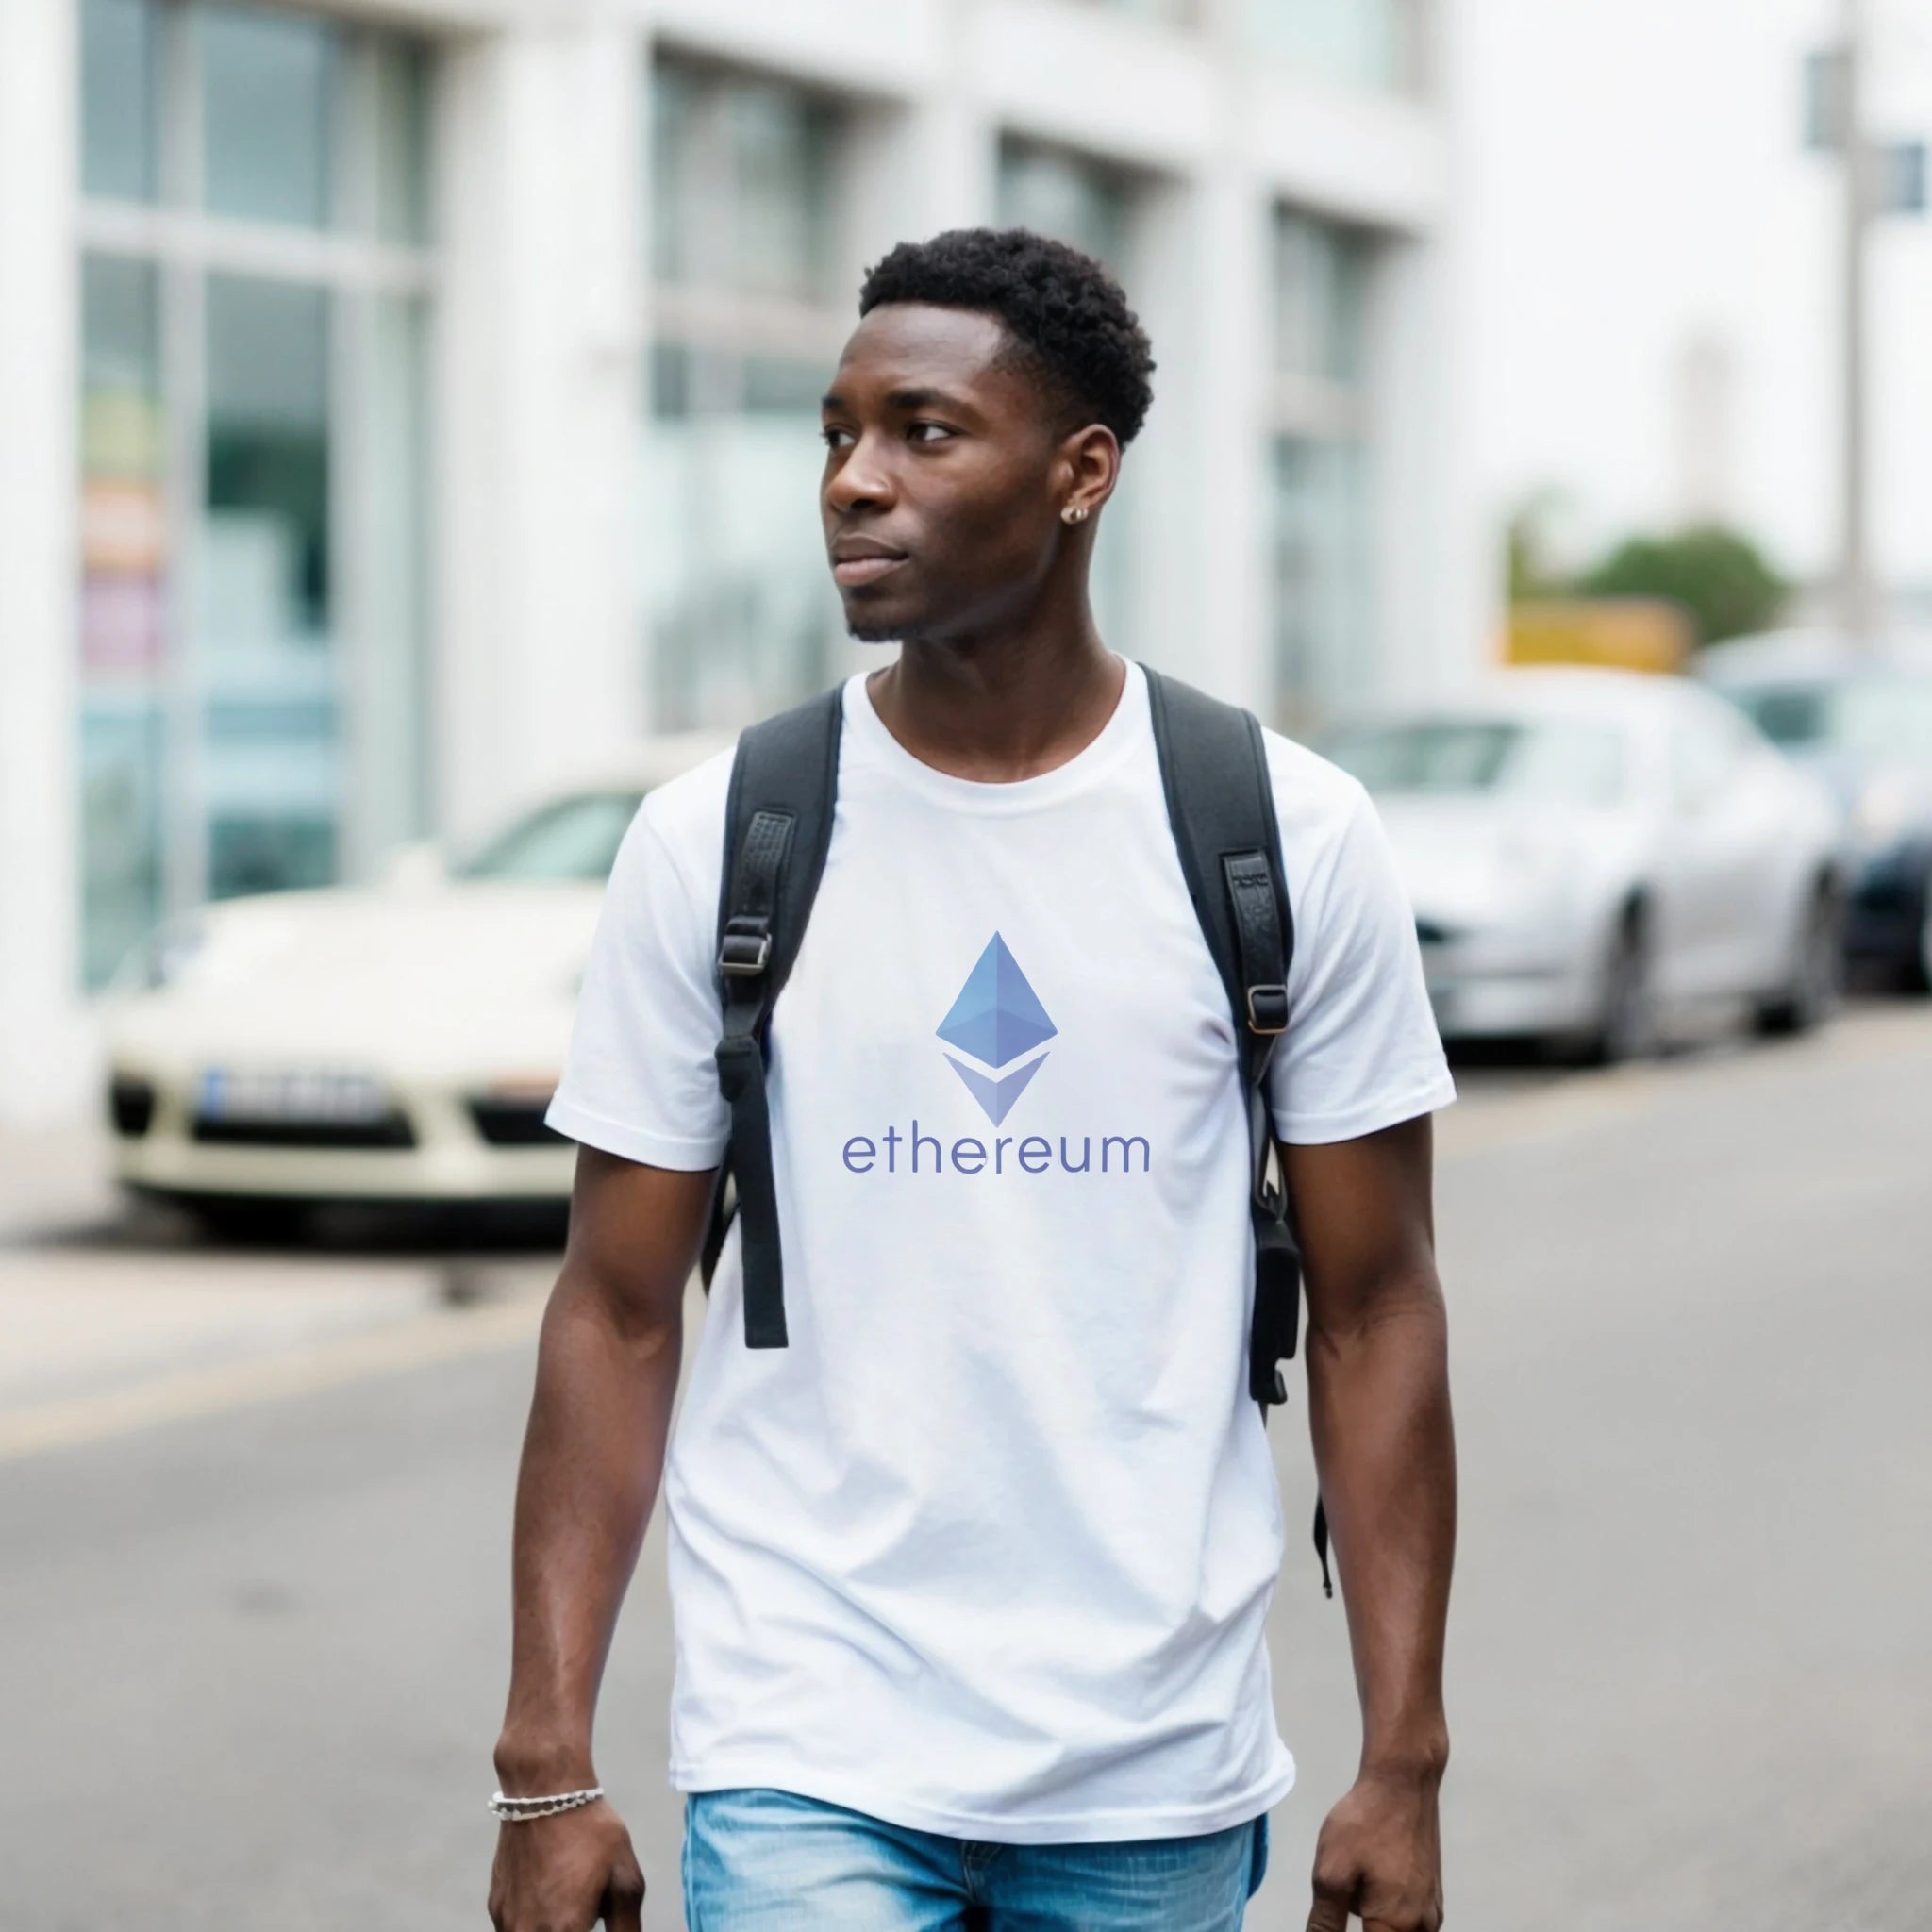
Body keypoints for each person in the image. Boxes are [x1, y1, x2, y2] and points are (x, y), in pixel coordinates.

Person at [489, 227, 1457, 1932]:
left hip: (1151, 1756)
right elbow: (618, 1311)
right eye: (835, 434)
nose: (854, 483)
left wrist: (1404, 1763)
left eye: (923, 432)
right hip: (808, 1733)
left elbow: (1376, 1309)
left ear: (1082, 473)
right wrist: (545, 1763)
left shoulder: (1282, 836)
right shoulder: (719, 837)